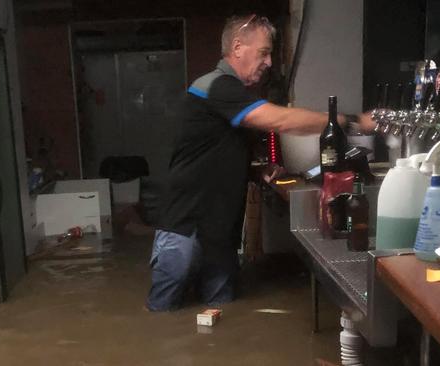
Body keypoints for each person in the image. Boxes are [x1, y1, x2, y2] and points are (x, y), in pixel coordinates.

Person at [146, 14, 376, 311]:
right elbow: (279, 120)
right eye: (264, 52)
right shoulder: (215, 86)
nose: (268, 62)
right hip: (184, 228)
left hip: (220, 231)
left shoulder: (234, 95)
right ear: (238, 47)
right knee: (162, 315)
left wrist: (259, 169)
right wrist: (352, 121)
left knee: (221, 316)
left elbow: (216, 149)